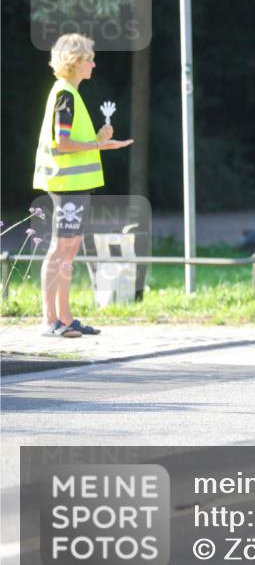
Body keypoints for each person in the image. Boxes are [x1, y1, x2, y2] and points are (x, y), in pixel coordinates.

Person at [33, 33, 133, 338]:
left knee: (69, 248)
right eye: (89, 57)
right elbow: (62, 143)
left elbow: (70, 141)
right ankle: (51, 320)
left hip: (74, 186)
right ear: (75, 62)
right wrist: (103, 147)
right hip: (66, 185)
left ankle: (65, 317)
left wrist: (97, 141)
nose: (93, 62)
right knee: (60, 249)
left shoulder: (69, 94)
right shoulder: (65, 94)